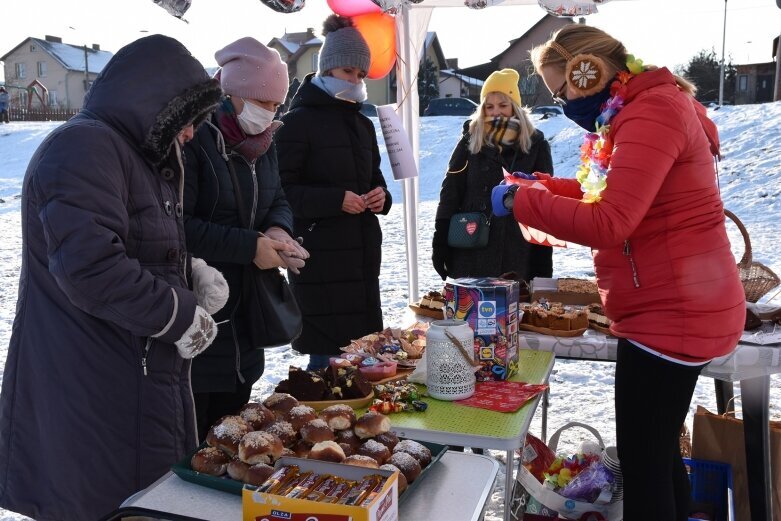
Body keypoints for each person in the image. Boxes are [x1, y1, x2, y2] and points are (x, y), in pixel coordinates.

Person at [492, 24, 745, 521]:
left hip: (672, 312)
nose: (564, 102)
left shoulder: (651, 113)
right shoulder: (637, 111)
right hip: (672, 306)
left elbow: (610, 221)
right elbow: (604, 192)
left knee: (645, 464)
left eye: (563, 89)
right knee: (658, 454)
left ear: (589, 72)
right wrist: (542, 186)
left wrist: (523, 202)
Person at [0, 34, 227, 521]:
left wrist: (191, 273)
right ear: (159, 107)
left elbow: (140, 245)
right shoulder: (83, 147)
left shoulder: (138, 155)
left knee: (143, 505)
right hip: (88, 385)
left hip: (132, 375)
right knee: (105, 506)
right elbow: (90, 267)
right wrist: (179, 314)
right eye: (188, 122)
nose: (190, 135)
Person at [182, 37, 309, 440]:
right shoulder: (195, 141)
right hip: (202, 316)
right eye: (266, 103)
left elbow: (280, 199)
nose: (272, 113)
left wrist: (277, 231)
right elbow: (178, 228)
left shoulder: (264, 142)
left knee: (237, 437)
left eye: (277, 104)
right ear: (234, 94)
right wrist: (250, 247)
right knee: (201, 443)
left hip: (248, 319)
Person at [276, 14, 392, 371]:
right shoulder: (296, 122)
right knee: (326, 364)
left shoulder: (362, 124)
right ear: (326, 70)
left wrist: (380, 197)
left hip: (361, 258)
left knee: (362, 360)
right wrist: (334, 200)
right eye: (347, 72)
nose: (355, 81)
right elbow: (281, 194)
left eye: (360, 75)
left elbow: (375, 178)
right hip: (319, 259)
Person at [432, 68, 554, 287]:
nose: (495, 112)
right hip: (471, 251)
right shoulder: (470, 142)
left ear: (515, 107)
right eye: (489, 106)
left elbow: (543, 205)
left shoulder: (536, 146)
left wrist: (542, 262)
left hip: (516, 254)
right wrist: (440, 240)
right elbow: (451, 191)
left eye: (503, 105)